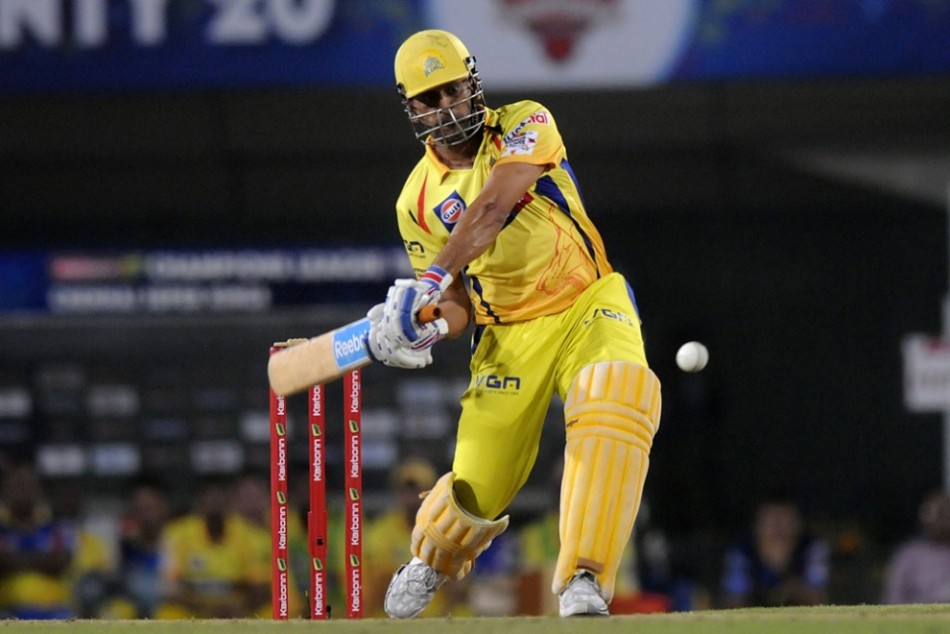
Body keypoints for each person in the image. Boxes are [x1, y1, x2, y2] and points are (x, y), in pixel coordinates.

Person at [365, 29, 662, 618]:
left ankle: (583, 576)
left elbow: (492, 208)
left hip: (586, 300)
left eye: (454, 89)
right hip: (505, 334)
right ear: (411, 108)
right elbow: (458, 307)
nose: (447, 107)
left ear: (473, 84)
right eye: (430, 98)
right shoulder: (414, 201)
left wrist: (431, 279)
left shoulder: (525, 122)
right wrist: (425, 324)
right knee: (479, 484)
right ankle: (432, 558)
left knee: (616, 396)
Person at [361, 457, 468, 617]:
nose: (410, 495)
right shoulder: (382, 531)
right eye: (405, 488)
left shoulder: (446, 530)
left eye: (417, 488)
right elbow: (376, 584)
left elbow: (459, 587)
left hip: (436, 618)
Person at [155, 477, 270, 619]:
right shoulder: (176, 534)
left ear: (229, 504)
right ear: (199, 503)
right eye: (209, 501)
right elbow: (170, 588)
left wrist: (240, 606)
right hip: (194, 607)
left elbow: (260, 588)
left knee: (270, 613)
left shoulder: (251, 535)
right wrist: (208, 608)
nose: (215, 506)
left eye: (219, 501)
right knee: (168, 614)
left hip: (239, 608)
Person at [720, 493, 830, 608]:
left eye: (786, 522)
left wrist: (791, 588)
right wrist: (766, 593)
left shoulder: (812, 548)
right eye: (772, 523)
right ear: (757, 527)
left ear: (798, 525)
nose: (778, 531)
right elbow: (734, 601)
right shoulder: (742, 551)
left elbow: (818, 598)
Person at [0, 463, 76, 619]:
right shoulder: (2, 527)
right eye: (17, 485)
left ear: (37, 490)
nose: (22, 491)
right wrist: (42, 559)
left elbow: (60, 563)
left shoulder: (56, 522)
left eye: (26, 485)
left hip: (54, 611)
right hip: (6, 611)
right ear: (5, 490)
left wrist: (13, 559)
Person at [882, 490, 950, 604]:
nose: (939, 520)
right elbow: (893, 598)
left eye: (943, 513)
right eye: (932, 514)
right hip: (918, 614)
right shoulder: (908, 555)